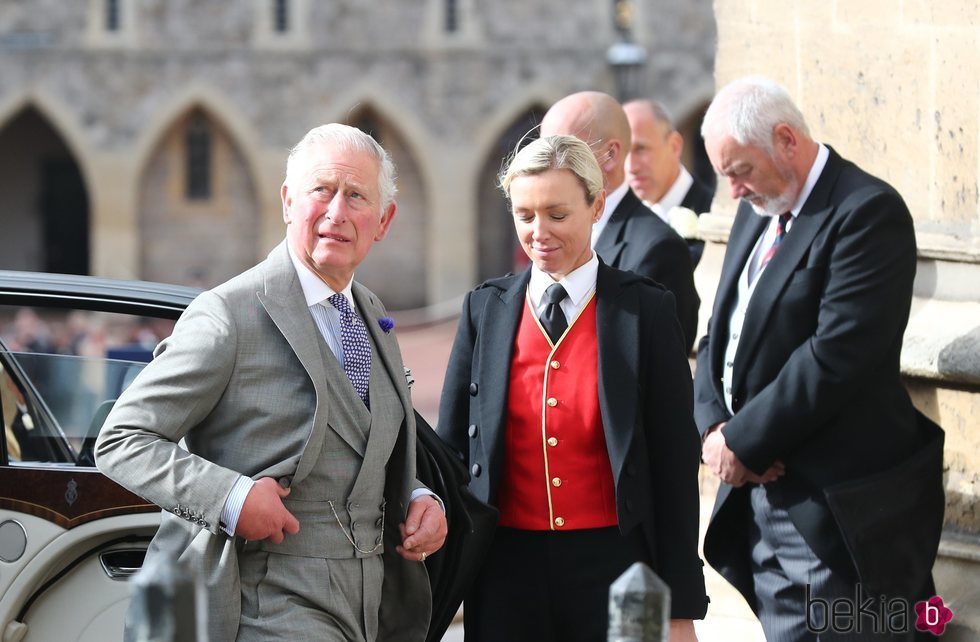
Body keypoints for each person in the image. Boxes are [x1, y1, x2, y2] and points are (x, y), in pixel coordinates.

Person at [96, 123, 448, 642]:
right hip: (262, 602)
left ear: (383, 220)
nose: (336, 213)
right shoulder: (229, 313)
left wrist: (420, 498)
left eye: (356, 197)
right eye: (321, 191)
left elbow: (362, 452)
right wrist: (232, 498)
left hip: (372, 606)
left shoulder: (372, 315)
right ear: (288, 201)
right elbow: (122, 440)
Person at [695, 77, 945, 641]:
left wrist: (743, 440)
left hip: (834, 508)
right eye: (725, 175)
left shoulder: (865, 211)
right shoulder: (757, 209)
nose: (733, 190)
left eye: (740, 171)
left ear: (786, 139)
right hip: (757, 498)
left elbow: (837, 354)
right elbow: (720, 333)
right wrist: (713, 426)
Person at [438, 134, 707, 642]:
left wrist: (680, 605)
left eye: (557, 214)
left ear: (597, 205)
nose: (539, 232)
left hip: (622, 566)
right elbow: (452, 448)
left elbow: (674, 464)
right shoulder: (484, 310)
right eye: (525, 215)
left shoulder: (645, 311)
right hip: (504, 571)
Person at [540, 91, 700, 352]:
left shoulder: (658, 249)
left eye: (562, 151)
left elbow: (661, 369)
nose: (545, 165)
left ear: (610, 156)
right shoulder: (543, 237)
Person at [623, 98, 716, 268]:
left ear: (674, 146)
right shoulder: (620, 220)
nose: (631, 167)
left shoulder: (713, 214)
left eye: (641, 149)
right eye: (623, 153)